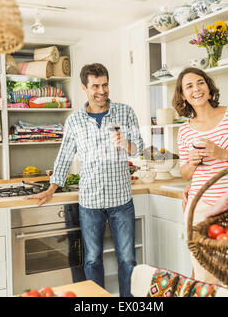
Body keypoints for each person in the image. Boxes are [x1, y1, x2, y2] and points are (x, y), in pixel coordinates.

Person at [26, 63, 144, 297]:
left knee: (128, 259)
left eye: (105, 85)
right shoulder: (75, 120)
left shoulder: (125, 112)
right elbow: (64, 156)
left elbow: (139, 149)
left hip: (121, 199)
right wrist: (51, 189)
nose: (102, 91)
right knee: (91, 260)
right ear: (84, 87)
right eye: (95, 86)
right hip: (90, 201)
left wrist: (125, 144)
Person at [173, 67, 228, 283]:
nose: (196, 88)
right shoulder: (185, 131)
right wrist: (192, 164)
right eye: (189, 86)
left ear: (209, 88)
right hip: (201, 208)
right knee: (206, 274)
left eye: (200, 82)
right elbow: (185, 173)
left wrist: (221, 153)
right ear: (183, 97)